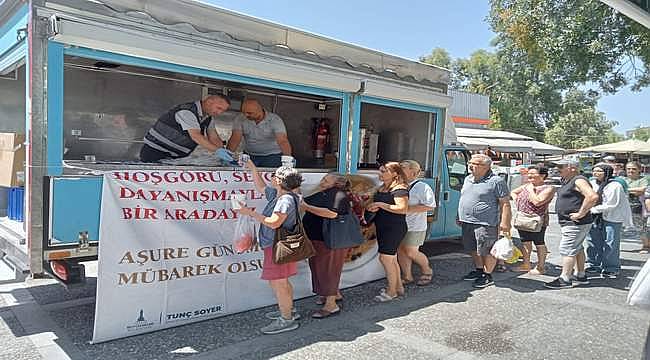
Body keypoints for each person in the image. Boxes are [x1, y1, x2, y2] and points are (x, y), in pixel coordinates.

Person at [235, 161, 303, 335]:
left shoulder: (285, 200)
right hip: (277, 245)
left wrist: (249, 213)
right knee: (282, 281)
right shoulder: (279, 194)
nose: (271, 177)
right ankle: (288, 310)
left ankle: (286, 319)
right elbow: (261, 187)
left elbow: (274, 223)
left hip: (278, 246)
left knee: (279, 282)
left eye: (274, 175)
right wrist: (252, 167)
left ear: (279, 181)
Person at [300, 173, 353, 318]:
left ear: (337, 184)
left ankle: (331, 305)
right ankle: (331, 294)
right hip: (318, 238)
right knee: (319, 268)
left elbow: (332, 214)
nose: (322, 181)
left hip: (330, 240)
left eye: (326, 180)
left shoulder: (339, 195)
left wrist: (306, 207)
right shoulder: (323, 192)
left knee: (329, 270)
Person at [458, 154, 511, 289]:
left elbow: (505, 203)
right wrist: (458, 215)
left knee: (487, 250)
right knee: (473, 248)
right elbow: (464, 198)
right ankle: (479, 270)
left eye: (475, 164)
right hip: (467, 221)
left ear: (486, 166)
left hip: (486, 222)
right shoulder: (468, 179)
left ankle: (487, 275)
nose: (470, 166)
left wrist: (505, 222)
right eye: (470, 162)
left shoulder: (496, 181)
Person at [544, 159, 599, 289]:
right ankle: (580, 274)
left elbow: (592, 197)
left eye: (561, 166)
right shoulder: (568, 180)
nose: (558, 169)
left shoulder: (578, 180)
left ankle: (565, 278)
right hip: (574, 222)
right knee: (577, 248)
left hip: (575, 223)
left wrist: (580, 213)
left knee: (567, 249)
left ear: (572, 168)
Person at [140, 95, 234, 163]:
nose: (219, 113)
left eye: (223, 110)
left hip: (175, 157)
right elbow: (196, 136)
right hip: (154, 152)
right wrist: (217, 151)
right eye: (219, 108)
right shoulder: (187, 111)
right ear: (209, 101)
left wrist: (223, 154)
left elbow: (214, 137)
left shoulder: (208, 117)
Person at [366, 162, 409, 302]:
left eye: (384, 171)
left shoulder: (400, 188)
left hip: (394, 227)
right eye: (380, 171)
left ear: (395, 173)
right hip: (383, 226)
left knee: (385, 258)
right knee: (391, 258)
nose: (381, 173)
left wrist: (380, 204)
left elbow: (402, 208)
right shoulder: (382, 188)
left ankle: (391, 292)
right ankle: (398, 287)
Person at [585, 163, 633, 278]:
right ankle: (594, 264)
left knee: (611, 242)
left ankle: (611, 267)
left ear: (606, 172)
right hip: (595, 217)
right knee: (593, 241)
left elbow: (612, 204)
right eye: (594, 171)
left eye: (599, 171)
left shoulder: (615, 185)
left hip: (612, 217)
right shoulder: (592, 183)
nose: (595, 173)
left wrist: (592, 209)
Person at [510, 165, 556, 275]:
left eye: (533, 174)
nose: (529, 176)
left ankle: (540, 267)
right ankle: (526, 264)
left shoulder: (549, 188)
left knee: (539, 242)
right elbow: (513, 192)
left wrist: (531, 190)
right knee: (525, 241)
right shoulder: (527, 185)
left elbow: (538, 201)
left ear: (542, 175)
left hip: (537, 220)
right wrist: (517, 200)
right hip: (523, 218)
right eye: (528, 174)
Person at [398, 160, 436, 286]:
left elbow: (430, 206)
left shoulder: (422, 187)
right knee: (401, 250)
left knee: (411, 251)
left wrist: (406, 209)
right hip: (400, 224)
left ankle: (427, 270)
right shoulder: (399, 185)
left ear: (413, 172)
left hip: (415, 226)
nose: (399, 170)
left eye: (403, 168)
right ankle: (407, 276)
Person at [227, 99, 292, 167]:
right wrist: (228, 156)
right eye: (244, 112)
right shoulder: (240, 118)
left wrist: (288, 159)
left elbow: (282, 141)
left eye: (249, 113)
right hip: (250, 155)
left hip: (272, 156)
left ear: (259, 111)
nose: (246, 115)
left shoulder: (275, 120)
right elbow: (235, 139)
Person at [624, 161, 650, 252]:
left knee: (640, 227)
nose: (631, 170)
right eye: (629, 168)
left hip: (637, 207)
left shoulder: (643, 179)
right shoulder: (623, 179)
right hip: (623, 206)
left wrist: (625, 189)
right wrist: (634, 191)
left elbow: (643, 189)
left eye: (634, 169)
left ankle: (646, 245)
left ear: (639, 170)